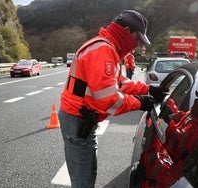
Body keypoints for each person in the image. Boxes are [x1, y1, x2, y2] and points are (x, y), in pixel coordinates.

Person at [58, 10, 169, 188]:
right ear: (126, 30)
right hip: (78, 120)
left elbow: (119, 82)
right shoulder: (104, 51)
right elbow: (108, 99)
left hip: (81, 118)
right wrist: (140, 102)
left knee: (87, 172)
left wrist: (148, 88)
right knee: (83, 180)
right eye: (137, 39)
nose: (135, 45)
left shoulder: (107, 48)